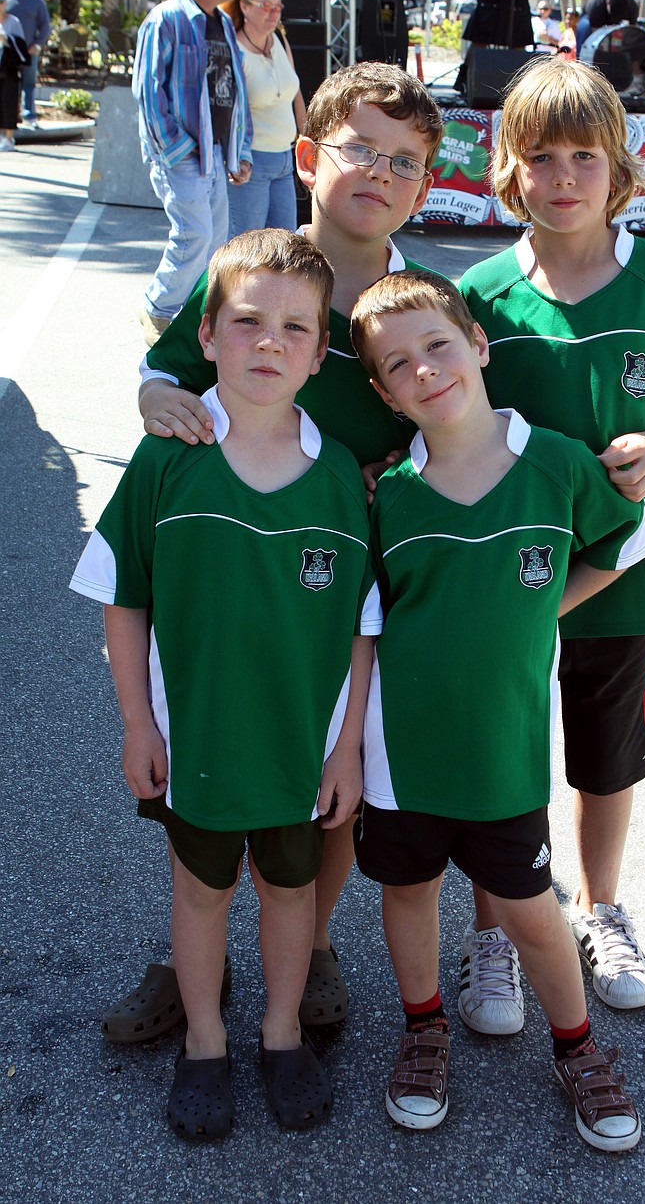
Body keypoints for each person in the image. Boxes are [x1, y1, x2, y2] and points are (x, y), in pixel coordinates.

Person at [98, 62, 442, 1046]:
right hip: (231, 569)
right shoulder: (256, 276)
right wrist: (149, 398)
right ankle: (185, 959)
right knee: (206, 759)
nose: (378, 172)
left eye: (403, 161)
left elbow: (451, 420)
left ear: (422, 185)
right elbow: (168, 370)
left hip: (343, 583)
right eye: (358, 148)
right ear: (306, 156)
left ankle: (314, 942)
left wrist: (404, 476)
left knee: (326, 784)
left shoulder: (419, 302)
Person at [70, 230, 374, 1141]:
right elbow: (121, 595)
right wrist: (136, 724)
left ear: (323, 353)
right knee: (199, 892)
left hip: (299, 747)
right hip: (196, 736)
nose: (269, 343)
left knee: (290, 894)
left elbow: (365, 629)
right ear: (205, 336)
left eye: (294, 328)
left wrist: (349, 745)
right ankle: (205, 1039)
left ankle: (280, 1032)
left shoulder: (344, 484)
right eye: (246, 322)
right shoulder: (169, 457)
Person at [349, 269, 645, 1148]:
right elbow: (367, 621)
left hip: (503, 755)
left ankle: (580, 1049)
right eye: (397, 364)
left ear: (480, 346)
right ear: (382, 390)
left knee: (529, 910)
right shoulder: (387, 493)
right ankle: (423, 1031)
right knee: (407, 891)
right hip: (398, 754)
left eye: (439, 345)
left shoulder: (557, 462)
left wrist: (545, 605)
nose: (424, 370)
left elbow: (632, 537)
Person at [455, 57, 645, 1032]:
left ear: (619, 168)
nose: (563, 177)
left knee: (604, 758)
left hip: (621, 576)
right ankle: (494, 927)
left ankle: (599, 908)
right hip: (511, 583)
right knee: (501, 754)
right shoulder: (481, 295)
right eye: (541, 157)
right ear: (507, 169)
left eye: (584, 156)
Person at [132, 0, 253, 348]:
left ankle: (191, 316)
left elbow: (235, 92)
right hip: (183, 154)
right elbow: (149, 93)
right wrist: (178, 151)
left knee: (213, 242)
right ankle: (160, 309)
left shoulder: (220, 21)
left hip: (217, 153)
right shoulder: (165, 19)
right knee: (195, 234)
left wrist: (241, 149)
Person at [221, 0, 306, 237]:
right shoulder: (234, 50)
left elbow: (296, 93)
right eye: (265, 5)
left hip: (284, 159)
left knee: (285, 248)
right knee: (247, 250)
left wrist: (308, 138)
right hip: (251, 163)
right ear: (244, 6)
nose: (273, 13)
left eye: (278, 6)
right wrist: (235, 158)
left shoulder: (279, 39)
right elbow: (228, 113)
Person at [3, 0, 50, 126]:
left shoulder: (36, 1)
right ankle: (10, 116)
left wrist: (37, 45)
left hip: (29, 50)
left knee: (28, 84)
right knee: (9, 84)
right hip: (9, 52)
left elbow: (45, 26)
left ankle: (29, 115)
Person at [575, 0, 639, 56]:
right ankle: (580, 60)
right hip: (590, 18)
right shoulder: (597, 5)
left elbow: (632, 31)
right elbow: (595, 37)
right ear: (607, 2)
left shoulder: (633, 7)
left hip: (618, 25)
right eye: (614, 13)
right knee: (584, 28)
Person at [0, 0, 27, 152]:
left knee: (9, 101)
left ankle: (9, 137)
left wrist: (7, 39)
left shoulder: (13, 22)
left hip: (9, 68)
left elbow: (21, 47)